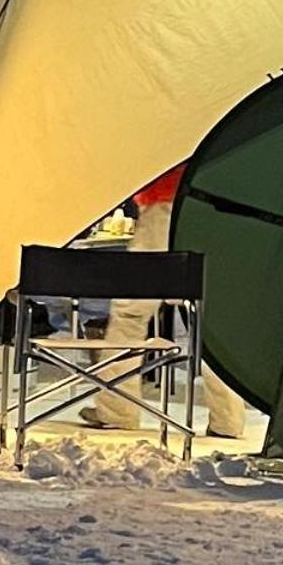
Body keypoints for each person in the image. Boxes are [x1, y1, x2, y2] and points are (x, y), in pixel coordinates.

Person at [80, 164, 246, 439]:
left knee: (130, 314)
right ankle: (228, 419)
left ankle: (117, 410)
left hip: (163, 206)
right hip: (208, 208)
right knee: (210, 318)